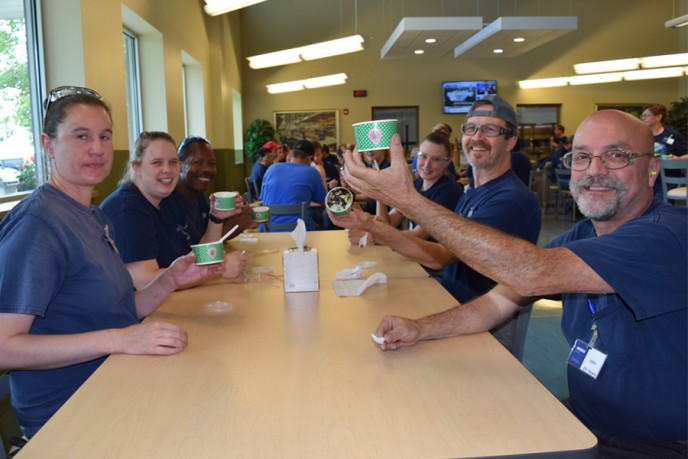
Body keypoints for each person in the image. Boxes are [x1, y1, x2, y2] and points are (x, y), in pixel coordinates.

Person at [340, 109, 687, 457]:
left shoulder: (668, 236)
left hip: (654, 444)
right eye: (582, 157)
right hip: (584, 421)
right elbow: (497, 302)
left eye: (616, 155)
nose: (595, 170)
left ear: (652, 168)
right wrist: (421, 328)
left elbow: (530, 272)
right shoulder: (583, 235)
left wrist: (408, 200)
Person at [0, 87, 223, 438]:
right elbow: (4, 347)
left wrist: (169, 281)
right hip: (68, 414)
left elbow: (119, 311)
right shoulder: (38, 225)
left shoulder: (93, 215)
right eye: (81, 136)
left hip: (118, 378)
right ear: (47, 144)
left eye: (104, 137)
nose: (97, 148)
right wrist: (120, 340)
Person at [330, 96, 541, 352]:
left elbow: (441, 257)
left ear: (511, 141)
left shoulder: (511, 200)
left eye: (490, 129)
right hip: (450, 305)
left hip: (481, 326)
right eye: (471, 128)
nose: (477, 137)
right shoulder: (473, 193)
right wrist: (368, 223)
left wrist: (386, 212)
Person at [100, 131, 247, 290]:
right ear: (137, 167)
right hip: (139, 313)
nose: (167, 169)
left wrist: (216, 218)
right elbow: (145, 281)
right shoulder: (127, 210)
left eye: (173, 162)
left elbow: (201, 255)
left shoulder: (168, 198)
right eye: (157, 162)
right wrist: (218, 271)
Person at [374, 131, 463, 239]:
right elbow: (387, 223)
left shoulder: (449, 192)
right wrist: (378, 191)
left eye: (436, 159)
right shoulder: (416, 185)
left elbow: (418, 235)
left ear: (447, 162)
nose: (427, 165)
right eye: (423, 156)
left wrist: (377, 236)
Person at [170, 136, 256, 243]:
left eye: (211, 164)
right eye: (197, 162)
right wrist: (236, 224)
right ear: (180, 165)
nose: (206, 169)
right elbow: (200, 250)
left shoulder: (199, 197)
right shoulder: (170, 204)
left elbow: (211, 236)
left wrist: (239, 219)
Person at [260, 139, 327, 231]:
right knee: (325, 222)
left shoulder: (271, 169)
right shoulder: (312, 172)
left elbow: (263, 199)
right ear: (310, 157)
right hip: (301, 233)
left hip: (268, 230)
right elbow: (324, 201)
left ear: (291, 154)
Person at [640, 103, 688, 196]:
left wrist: (678, 159)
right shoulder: (640, 136)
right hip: (645, 178)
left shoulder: (672, 135)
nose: (643, 118)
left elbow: (686, 154)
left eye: (647, 115)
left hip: (667, 179)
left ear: (658, 117)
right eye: (642, 115)